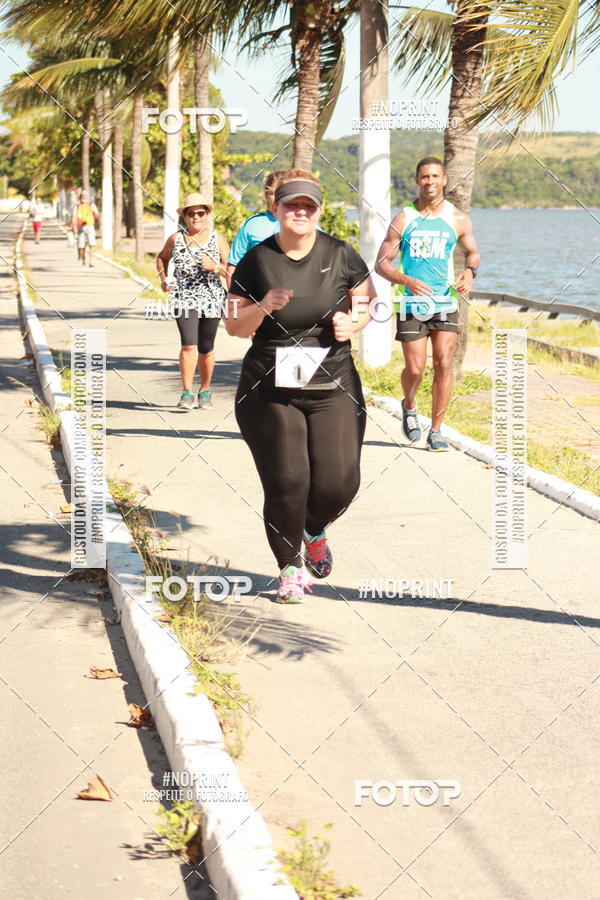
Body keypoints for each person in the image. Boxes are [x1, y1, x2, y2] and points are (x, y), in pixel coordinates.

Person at [227, 173, 376, 604]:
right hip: (270, 388)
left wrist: (354, 323)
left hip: (333, 382)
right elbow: (234, 325)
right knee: (288, 481)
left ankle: (312, 529)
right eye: (292, 204)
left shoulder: (340, 253)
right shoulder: (256, 260)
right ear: (276, 208)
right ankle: (290, 570)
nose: (300, 212)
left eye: (308, 206)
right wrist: (262, 306)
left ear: (319, 211)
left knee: (340, 483)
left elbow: (368, 302)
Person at [376, 156, 481, 451]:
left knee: (444, 363)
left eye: (435, 176)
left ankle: (436, 430)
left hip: (444, 301)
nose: (430, 181)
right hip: (411, 304)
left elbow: (473, 253)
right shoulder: (404, 219)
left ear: (444, 180)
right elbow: (381, 263)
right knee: (415, 368)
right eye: (425, 176)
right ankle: (409, 404)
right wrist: (406, 280)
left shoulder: (457, 219)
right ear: (417, 181)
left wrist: (469, 272)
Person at [156, 192, 229, 410]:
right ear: (185, 216)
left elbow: (232, 269)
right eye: (191, 214)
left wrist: (215, 267)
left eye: (200, 213)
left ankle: (205, 391)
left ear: (206, 215)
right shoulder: (176, 239)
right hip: (184, 298)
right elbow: (161, 258)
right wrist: (163, 279)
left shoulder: (218, 239)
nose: (196, 217)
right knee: (188, 343)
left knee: (206, 347)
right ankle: (187, 392)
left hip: (212, 298)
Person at [226, 170, 286, 278]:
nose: (276, 198)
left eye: (281, 192)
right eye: (272, 193)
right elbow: (233, 267)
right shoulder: (252, 225)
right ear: (266, 195)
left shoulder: (306, 226)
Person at [70, 190, 99, 266]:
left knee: (91, 243)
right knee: (81, 245)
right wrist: (73, 227)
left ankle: (91, 261)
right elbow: (73, 216)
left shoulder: (91, 205)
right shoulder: (77, 205)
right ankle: (83, 258)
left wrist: (95, 214)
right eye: (83, 195)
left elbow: (97, 215)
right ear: (80, 196)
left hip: (90, 226)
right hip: (80, 227)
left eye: (86, 195)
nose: (85, 197)